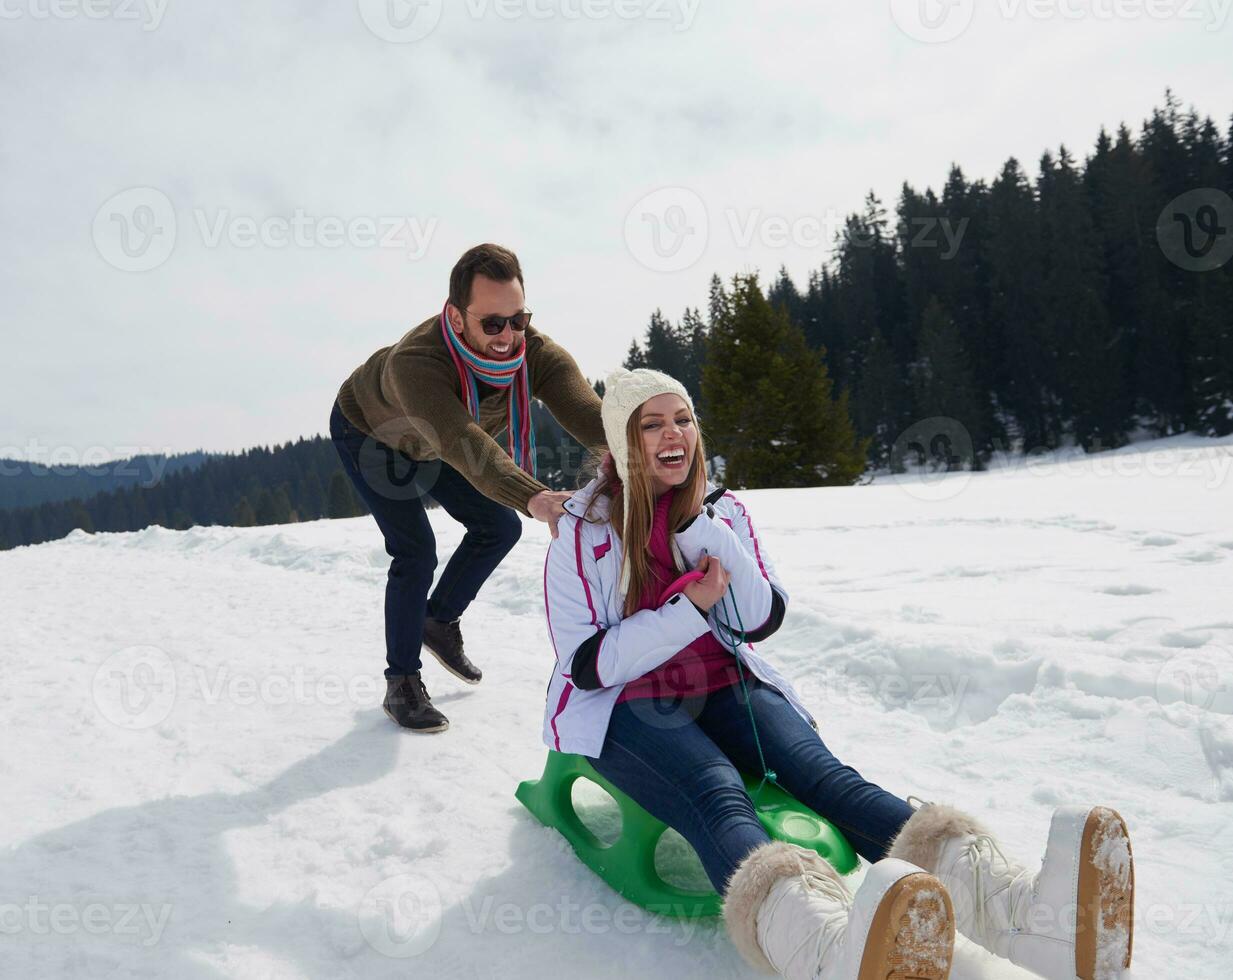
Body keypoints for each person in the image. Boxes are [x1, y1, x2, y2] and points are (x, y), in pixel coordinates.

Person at [539, 367, 1136, 980]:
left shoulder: (721, 514)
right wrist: (687, 608)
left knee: (829, 779)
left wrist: (700, 529)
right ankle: (821, 953)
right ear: (621, 444)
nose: (675, 435)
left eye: (684, 419)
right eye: (652, 424)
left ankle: (1028, 920)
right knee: (718, 794)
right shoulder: (582, 535)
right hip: (623, 706)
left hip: (725, 684)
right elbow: (589, 665)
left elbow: (759, 617)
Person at [331, 244, 606, 732]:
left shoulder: (532, 352)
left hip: (440, 443)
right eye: (492, 324)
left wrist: (648, 453)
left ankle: (438, 622)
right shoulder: (416, 364)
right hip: (373, 435)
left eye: (518, 319)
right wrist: (536, 497)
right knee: (415, 551)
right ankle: (401, 683)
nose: (508, 336)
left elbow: (586, 412)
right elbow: (467, 445)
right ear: (457, 319)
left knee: (498, 527)